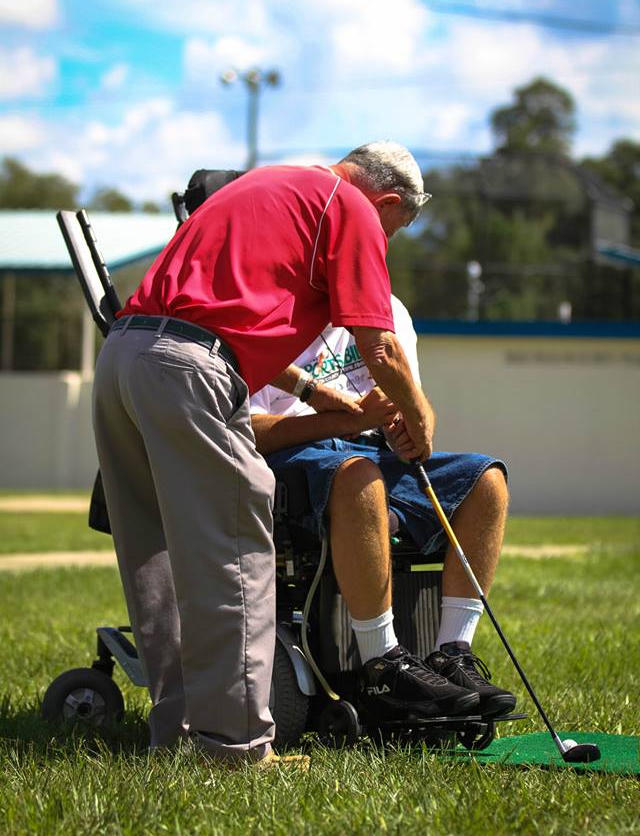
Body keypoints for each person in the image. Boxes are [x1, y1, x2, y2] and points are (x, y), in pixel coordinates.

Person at [92, 140, 473, 766]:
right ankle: (237, 747)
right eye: (395, 230)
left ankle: (180, 734)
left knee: (155, 557)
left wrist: (320, 393)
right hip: (191, 369)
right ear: (388, 200)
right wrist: (418, 415)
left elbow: (231, 311)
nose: (385, 244)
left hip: (127, 355)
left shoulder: (271, 186)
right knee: (238, 549)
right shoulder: (347, 205)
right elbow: (378, 346)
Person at [250, 294, 517, 720]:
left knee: (486, 483)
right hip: (297, 454)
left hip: (373, 453)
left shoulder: (390, 310)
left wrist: (415, 424)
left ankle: (453, 654)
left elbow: (416, 402)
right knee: (361, 478)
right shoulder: (268, 309)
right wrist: (347, 422)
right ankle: (382, 665)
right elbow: (249, 432)